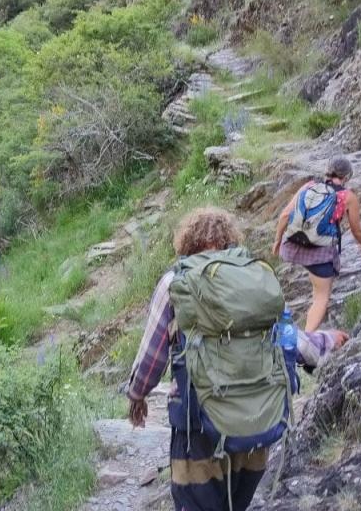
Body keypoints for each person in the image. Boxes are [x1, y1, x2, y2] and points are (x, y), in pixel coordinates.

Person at [127, 207, 347, 511]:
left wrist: (137, 395)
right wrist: (327, 341)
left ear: (186, 243)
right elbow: (288, 338)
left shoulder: (176, 281)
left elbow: (152, 356)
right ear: (230, 240)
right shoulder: (254, 278)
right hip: (258, 422)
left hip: (200, 427)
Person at [272, 156, 361, 332]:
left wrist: (278, 240)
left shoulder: (309, 186)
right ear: (347, 177)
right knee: (321, 297)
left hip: (292, 247)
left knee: (310, 285)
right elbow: (357, 230)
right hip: (320, 254)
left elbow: (285, 215)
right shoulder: (347, 197)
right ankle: (306, 340)